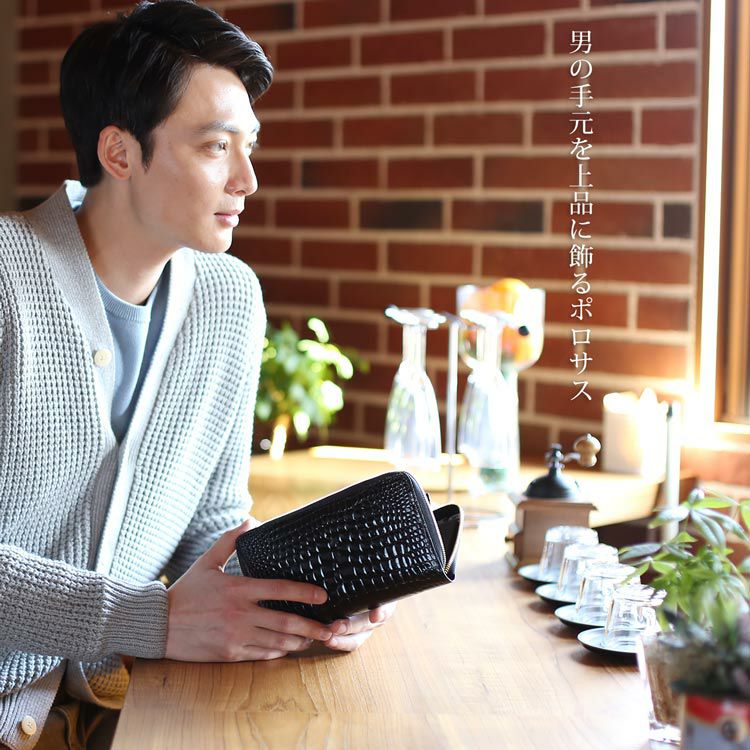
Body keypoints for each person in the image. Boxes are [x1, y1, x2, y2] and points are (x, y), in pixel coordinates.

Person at [0, 1, 394, 747]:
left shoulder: (229, 298)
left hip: (116, 714)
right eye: (216, 147)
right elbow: (154, 612)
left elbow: (209, 523)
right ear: (120, 153)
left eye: (249, 147)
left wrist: (307, 593)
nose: (248, 179)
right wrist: (146, 618)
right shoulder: (6, 278)